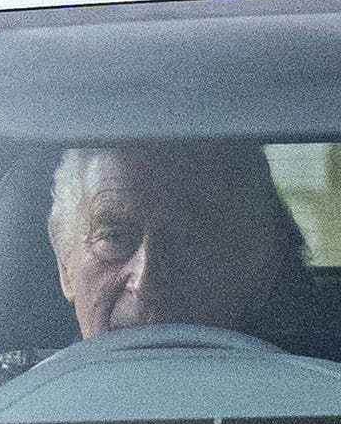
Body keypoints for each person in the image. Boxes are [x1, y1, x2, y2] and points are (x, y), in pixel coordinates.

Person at [47, 141, 305, 339]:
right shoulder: (23, 406)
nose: (146, 282)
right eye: (115, 237)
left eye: (187, 239)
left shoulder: (321, 405)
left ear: (260, 269)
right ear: (64, 265)